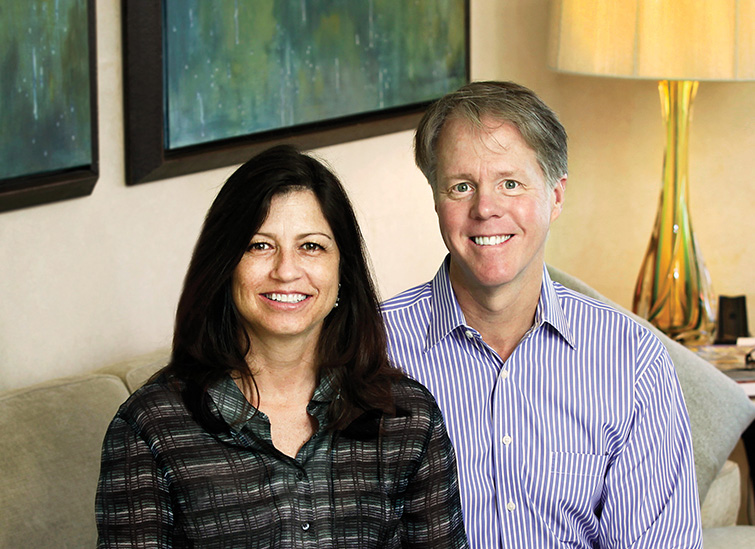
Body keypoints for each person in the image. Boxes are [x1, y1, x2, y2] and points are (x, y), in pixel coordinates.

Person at [381, 81, 702, 548]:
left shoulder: (630, 359)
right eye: (461, 186)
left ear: (555, 197)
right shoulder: (371, 348)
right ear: (436, 200)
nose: (485, 208)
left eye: (510, 184)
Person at [96, 145, 468, 548]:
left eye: (311, 246)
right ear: (225, 265)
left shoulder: (406, 418)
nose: (286, 270)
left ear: (342, 271)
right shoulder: (150, 429)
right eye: (260, 245)